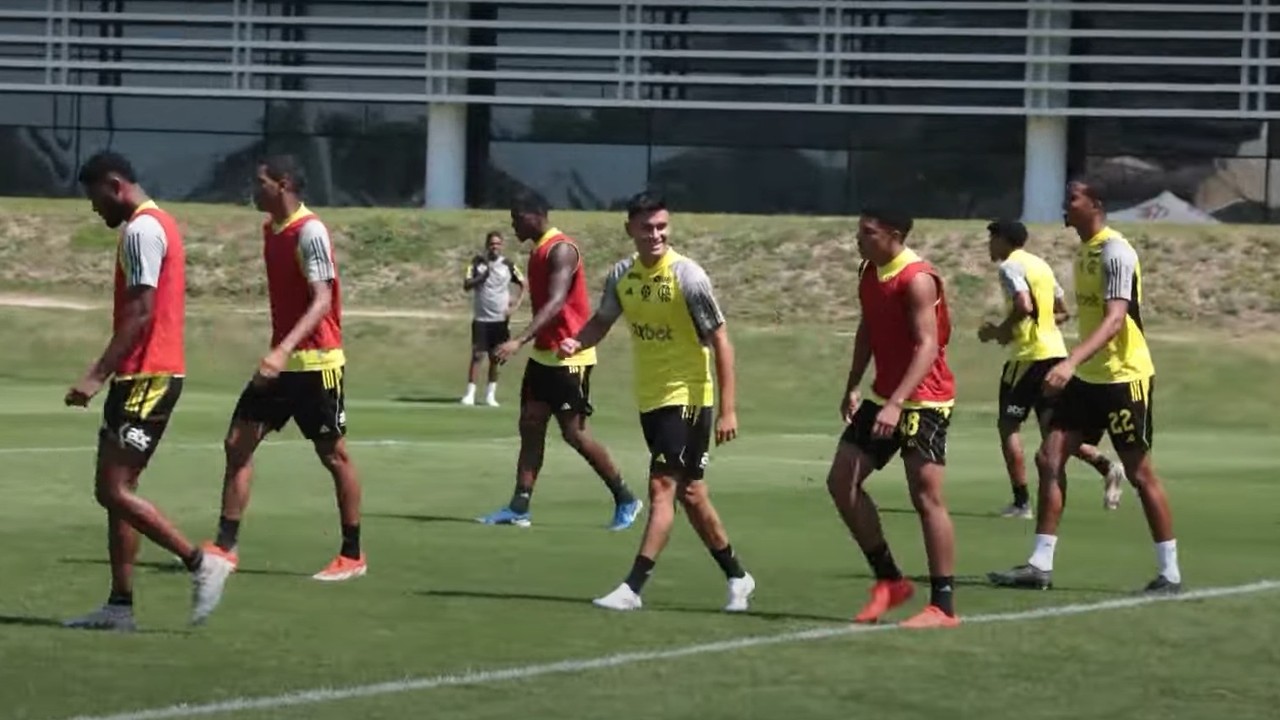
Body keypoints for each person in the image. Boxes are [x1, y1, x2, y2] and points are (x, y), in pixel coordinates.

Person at [559, 192, 755, 612]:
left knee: (661, 487)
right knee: (692, 494)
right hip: (650, 398)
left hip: (687, 396)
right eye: (647, 227)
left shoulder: (688, 277)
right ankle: (738, 577)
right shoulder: (622, 276)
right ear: (629, 229)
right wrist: (577, 342)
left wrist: (728, 408)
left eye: (662, 226)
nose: (655, 235)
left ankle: (632, 588)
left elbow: (720, 339)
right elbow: (601, 323)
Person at [63, 151, 233, 631]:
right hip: (140, 376)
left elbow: (141, 312)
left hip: (148, 376)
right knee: (118, 492)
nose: (95, 210)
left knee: (113, 489)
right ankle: (120, 607)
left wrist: (95, 375)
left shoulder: (141, 229)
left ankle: (201, 563)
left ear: (115, 185)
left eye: (96, 198)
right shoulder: (152, 225)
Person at [988, 180, 1182, 595]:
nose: (1065, 203)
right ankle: (1040, 564)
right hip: (1089, 378)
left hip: (1123, 378)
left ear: (1095, 204)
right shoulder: (1085, 253)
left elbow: (1115, 320)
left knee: (1139, 473)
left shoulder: (1116, 251)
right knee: (1049, 456)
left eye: (1073, 197)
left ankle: (1170, 572)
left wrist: (1070, 362)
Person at [206, 155, 366, 583]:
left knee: (334, 455)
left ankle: (352, 554)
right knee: (237, 442)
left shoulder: (309, 231)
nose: (253, 189)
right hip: (283, 364)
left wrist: (283, 350)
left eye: (260, 182)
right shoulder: (270, 229)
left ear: (284, 184)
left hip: (317, 364)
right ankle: (225, 545)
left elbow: (322, 300)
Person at [825, 208, 960, 629]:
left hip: (924, 400)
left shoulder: (917, 278)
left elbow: (927, 346)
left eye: (868, 232)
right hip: (886, 396)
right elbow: (868, 327)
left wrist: (897, 404)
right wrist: (853, 384)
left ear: (894, 235)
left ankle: (943, 606)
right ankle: (890, 580)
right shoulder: (870, 271)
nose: (858, 239)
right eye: (859, 231)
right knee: (841, 481)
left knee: (925, 495)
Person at [478, 191, 643, 531]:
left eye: (516, 217)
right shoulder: (538, 251)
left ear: (534, 215)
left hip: (570, 355)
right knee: (530, 424)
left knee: (575, 434)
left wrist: (519, 340)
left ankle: (626, 497)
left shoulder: (561, 250)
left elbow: (555, 303)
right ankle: (519, 506)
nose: (513, 224)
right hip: (544, 354)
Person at [978, 219, 1126, 519]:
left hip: (1027, 357)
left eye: (992, 239)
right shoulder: (1040, 266)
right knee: (1053, 433)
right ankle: (1107, 466)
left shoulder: (1010, 266)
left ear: (1004, 240)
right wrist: (1034, 327)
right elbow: (1061, 312)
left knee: (1008, 427)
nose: (989, 245)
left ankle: (1022, 503)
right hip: (1055, 355)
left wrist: (1001, 331)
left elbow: (1024, 305)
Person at [461, 231, 525, 407]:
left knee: (496, 357)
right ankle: (470, 394)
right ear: (487, 245)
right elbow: (466, 284)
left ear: (502, 245)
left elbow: (523, 283)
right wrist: (482, 277)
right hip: (481, 318)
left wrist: (515, 305)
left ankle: (490, 395)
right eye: (492, 243)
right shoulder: (477, 263)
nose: (494, 247)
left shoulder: (508, 265)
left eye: (498, 244)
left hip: (500, 320)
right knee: (477, 355)